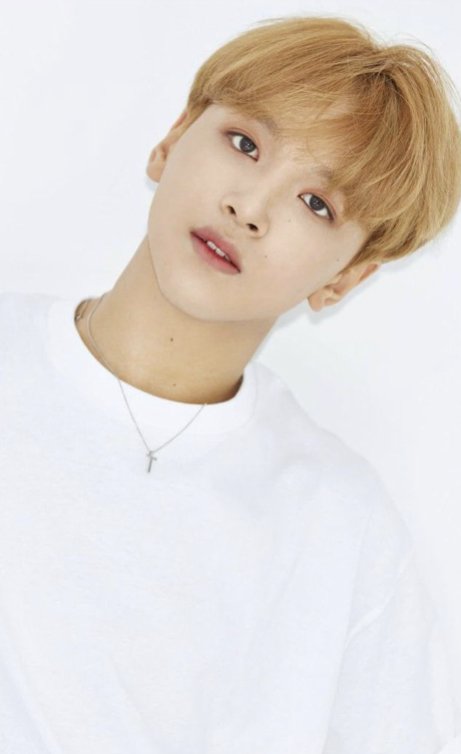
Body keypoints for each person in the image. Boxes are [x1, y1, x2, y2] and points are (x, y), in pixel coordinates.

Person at [1, 14, 460, 754]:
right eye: (244, 144)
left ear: (346, 278)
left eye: (316, 204)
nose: (249, 208)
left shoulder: (341, 525)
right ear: (172, 138)